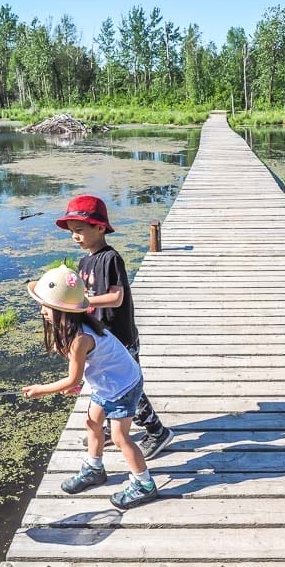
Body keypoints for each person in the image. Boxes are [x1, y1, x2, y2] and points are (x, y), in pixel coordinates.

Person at [22, 264, 158, 509]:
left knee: (119, 437)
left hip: (124, 386)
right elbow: (89, 366)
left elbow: (73, 379)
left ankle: (144, 484)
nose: (42, 311)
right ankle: (95, 469)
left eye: (46, 307)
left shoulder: (80, 338)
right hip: (108, 383)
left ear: (64, 310)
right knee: (92, 423)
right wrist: (76, 382)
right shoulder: (73, 328)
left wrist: (42, 389)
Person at [55, 195, 174, 459]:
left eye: (80, 230)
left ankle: (157, 431)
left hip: (121, 336)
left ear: (100, 228)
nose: (75, 236)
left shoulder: (111, 258)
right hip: (103, 338)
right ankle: (111, 426)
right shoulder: (85, 262)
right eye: (72, 232)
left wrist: (82, 302)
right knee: (108, 386)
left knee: (129, 386)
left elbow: (115, 297)